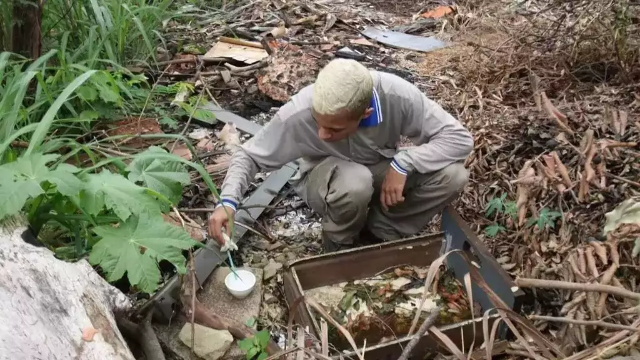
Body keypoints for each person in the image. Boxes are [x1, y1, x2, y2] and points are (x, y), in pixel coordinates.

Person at [208, 59, 474, 252]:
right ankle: (339, 245)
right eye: (318, 123)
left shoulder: (397, 97)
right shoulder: (300, 110)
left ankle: (382, 231)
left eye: (334, 128)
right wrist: (228, 202)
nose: (322, 134)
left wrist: (405, 162)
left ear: (365, 114)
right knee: (354, 182)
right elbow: (249, 156)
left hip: (375, 167)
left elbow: (460, 139)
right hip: (324, 176)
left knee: (453, 175)